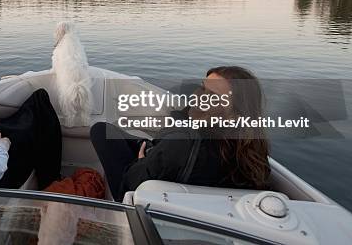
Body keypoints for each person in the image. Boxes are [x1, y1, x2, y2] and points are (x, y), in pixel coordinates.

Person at [90, 66, 271, 201]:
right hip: (179, 172)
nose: (197, 96)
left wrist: (140, 161)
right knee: (136, 139)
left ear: (234, 114)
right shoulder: (252, 151)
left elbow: (131, 182)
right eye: (202, 88)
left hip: (138, 189)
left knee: (101, 130)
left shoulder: (182, 144)